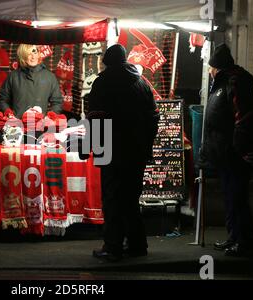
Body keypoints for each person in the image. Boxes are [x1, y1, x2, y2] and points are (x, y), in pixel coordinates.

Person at [87, 44, 159, 262]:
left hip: (112, 151)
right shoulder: (141, 83)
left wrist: (96, 150)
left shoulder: (103, 83)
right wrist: (146, 146)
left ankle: (113, 246)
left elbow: (96, 119)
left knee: (112, 200)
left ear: (106, 62)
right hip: (136, 152)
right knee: (130, 199)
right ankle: (137, 244)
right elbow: (154, 117)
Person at [200, 43, 253, 257]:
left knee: (237, 198)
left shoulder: (235, 83)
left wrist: (239, 150)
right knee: (231, 197)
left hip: (234, 154)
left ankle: (243, 240)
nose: (209, 70)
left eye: (210, 67)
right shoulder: (225, 83)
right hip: (226, 153)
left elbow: (243, 119)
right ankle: (235, 237)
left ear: (217, 67)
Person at [0, 44, 63, 119]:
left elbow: (57, 102)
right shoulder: (13, 76)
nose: (33, 57)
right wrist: (9, 113)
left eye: (35, 53)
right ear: (23, 56)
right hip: (17, 125)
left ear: (39, 54)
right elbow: (2, 100)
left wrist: (49, 117)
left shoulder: (50, 77)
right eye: (29, 54)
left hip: (40, 125)